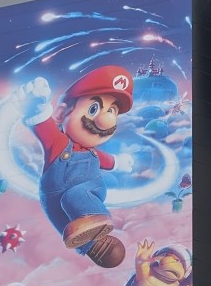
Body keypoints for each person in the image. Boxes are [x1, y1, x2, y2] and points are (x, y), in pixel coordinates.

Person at [18, 66, 134, 267]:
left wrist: (118, 162)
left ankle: (95, 217)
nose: (106, 121)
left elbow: (104, 160)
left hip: (89, 191)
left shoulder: (92, 152)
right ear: (62, 113)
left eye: (111, 111)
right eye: (93, 109)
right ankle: (95, 247)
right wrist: (36, 109)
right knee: (66, 224)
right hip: (55, 201)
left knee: (74, 196)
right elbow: (44, 128)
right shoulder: (60, 144)